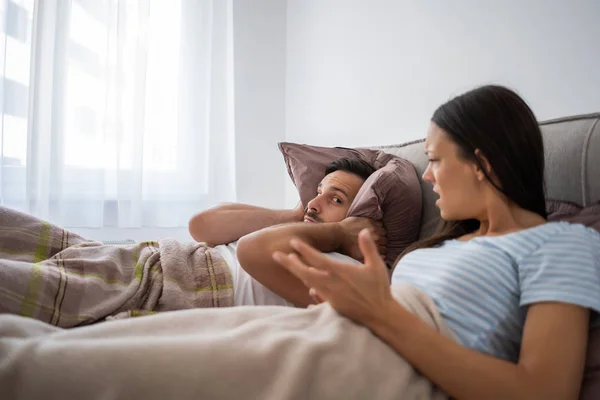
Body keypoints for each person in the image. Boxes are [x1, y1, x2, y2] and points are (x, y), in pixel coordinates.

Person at [271, 85, 600, 399]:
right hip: (335, 338)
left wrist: (379, 313)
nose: (427, 176)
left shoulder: (560, 243)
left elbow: (544, 393)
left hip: (377, 371)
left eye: (435, 159)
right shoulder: (443, 244)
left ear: (481, 164)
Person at [188, 157, 387, 307]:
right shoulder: (290, 230)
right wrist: (292, 215)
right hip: (173, 262)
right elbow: (200, 225)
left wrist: (340, 233)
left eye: (336, 200)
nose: (312, 204)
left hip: (186, 288)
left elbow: (251, 249)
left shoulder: (345, 267)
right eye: (318, 193)